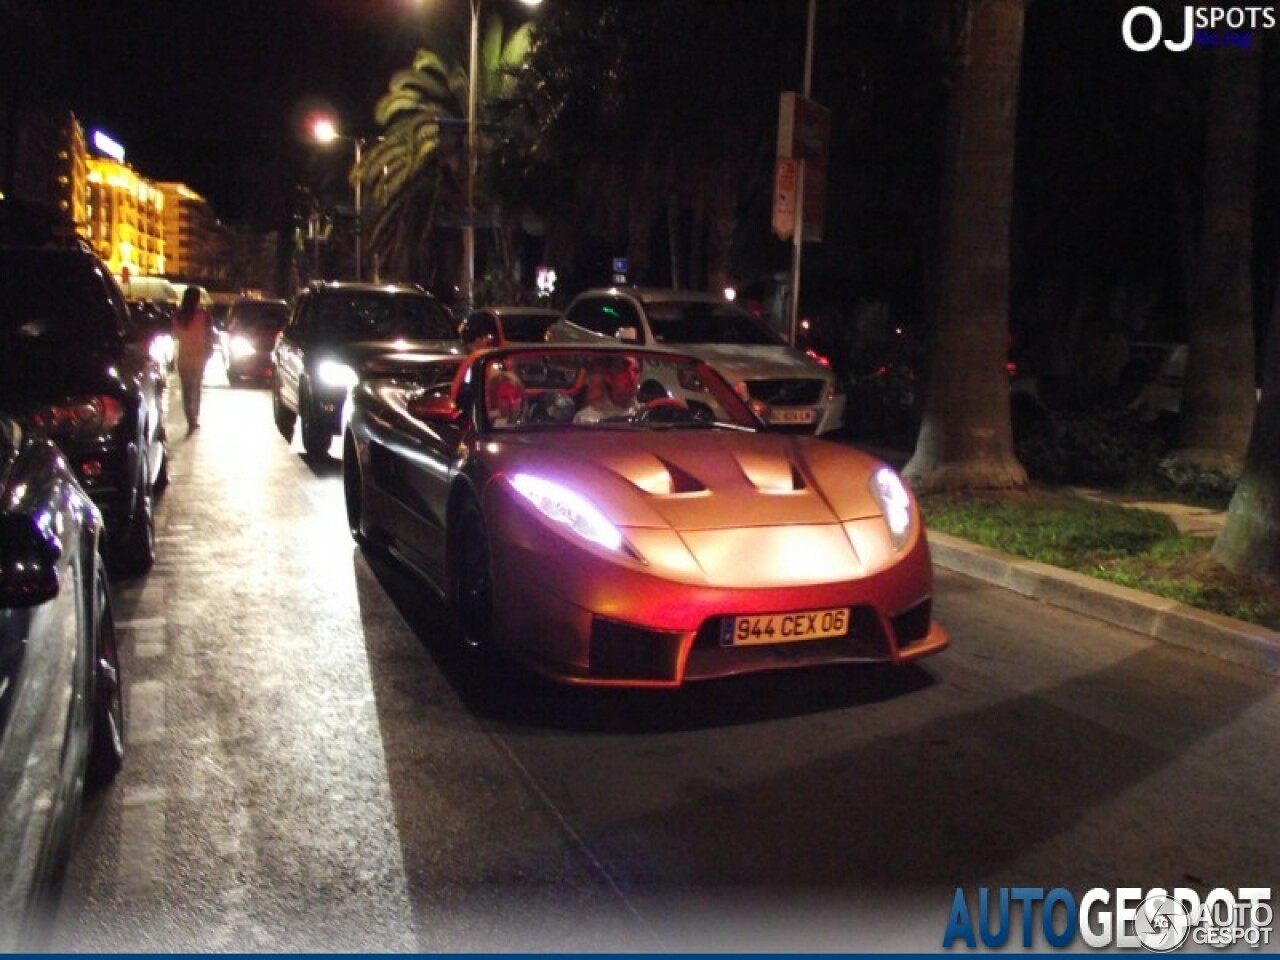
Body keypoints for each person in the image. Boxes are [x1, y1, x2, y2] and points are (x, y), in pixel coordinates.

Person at [171, 286, 214, 433]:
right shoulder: (204, 315)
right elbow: (209, 334)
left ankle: (190, 418)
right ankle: (194, 417)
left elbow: (176, 334)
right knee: (196, 388)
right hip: (199, 357)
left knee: (186, 390)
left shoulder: (179, 316)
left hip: (184, 357)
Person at [574, 354, 643, 423]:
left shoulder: (645, 415)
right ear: (609, 377)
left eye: (636, 371)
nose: (631, 377)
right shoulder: (586, 418)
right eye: (624, 371)